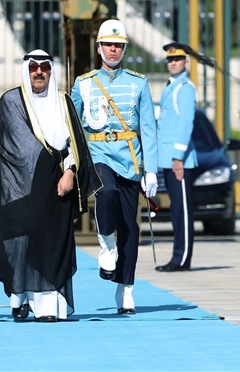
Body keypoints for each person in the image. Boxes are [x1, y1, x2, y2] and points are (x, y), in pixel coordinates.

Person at [0, 50, 99, 322]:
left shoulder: (63, 101)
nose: (39, 72)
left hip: (56, 184)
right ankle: (20, 298)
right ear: (26, 71)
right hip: (19, 188)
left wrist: (71, 172)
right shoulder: (11, 101)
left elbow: (75, 142)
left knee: (52, 244)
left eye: (44, 68)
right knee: (19, 245)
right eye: (33, 68)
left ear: (51, 70)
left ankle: (49, 306)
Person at [71, 19, 158, 315]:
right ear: (98, 48)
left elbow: (148, 128)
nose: (113, 50)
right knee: (105, 193)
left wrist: (151, 170)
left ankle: (126, 288)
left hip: (130, 158)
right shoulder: (83, 84)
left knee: (130, 227)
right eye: (108, 44)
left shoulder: (138, 83)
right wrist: (72, 159)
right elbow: (72, 124)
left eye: (118, 45)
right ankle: (106, 244)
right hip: (98, 154)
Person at [155, 42, 199, 272]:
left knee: (182, 210)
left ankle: (181, 258)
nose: (172, 62)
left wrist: (178, 157)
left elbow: (185, 124)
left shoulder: (185, 88)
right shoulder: (172, 86)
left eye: (177, 59)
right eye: (170, 60)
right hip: (168, 158)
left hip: (178, 160)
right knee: (176, 210)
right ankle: (177, 256)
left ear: (185, 62)